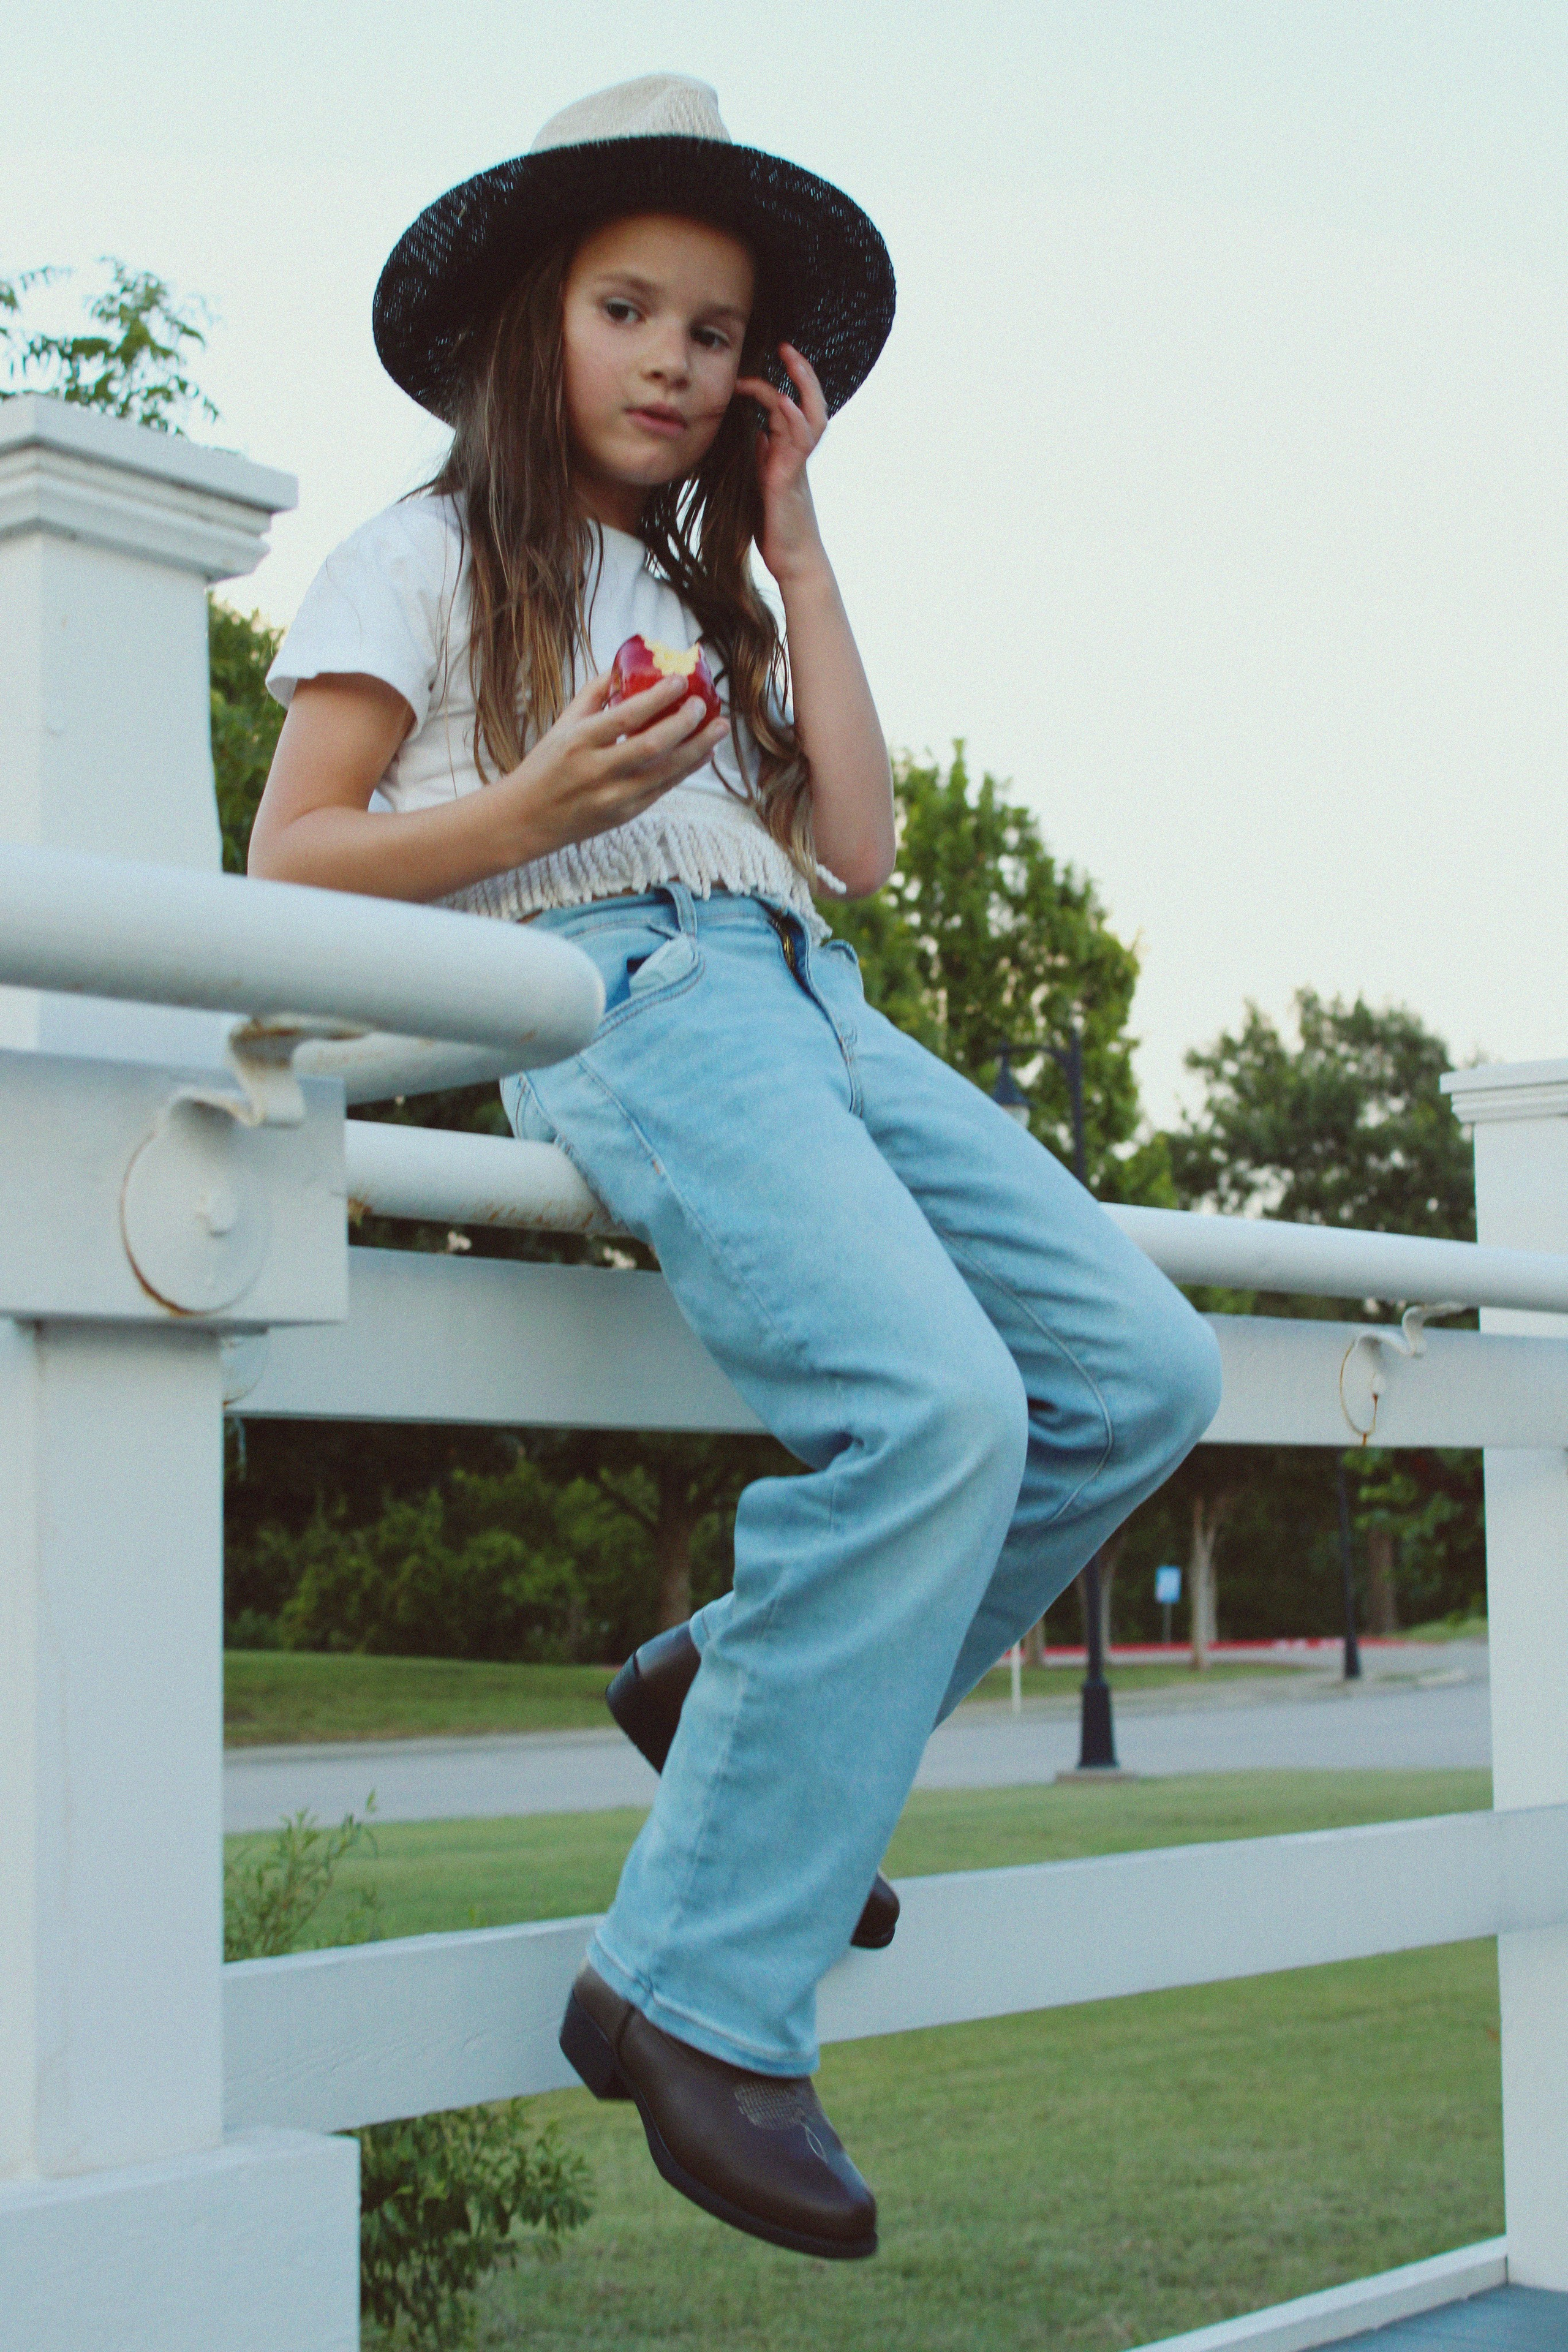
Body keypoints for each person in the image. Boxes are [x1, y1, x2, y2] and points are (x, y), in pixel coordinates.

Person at [249, 74, 1223, 2264]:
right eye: (631, 309)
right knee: (937, 1407)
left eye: (716, 329)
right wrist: (543, 801)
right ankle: (690, 1991)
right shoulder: (417, 553)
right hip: (632, 992)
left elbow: (858, 850)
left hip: (810, 990)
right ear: (534, 325)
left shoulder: (706, 598)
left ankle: (728, 1679)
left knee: (1142, 1374)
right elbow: (290, 856)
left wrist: (794, 553)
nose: (679, 359)